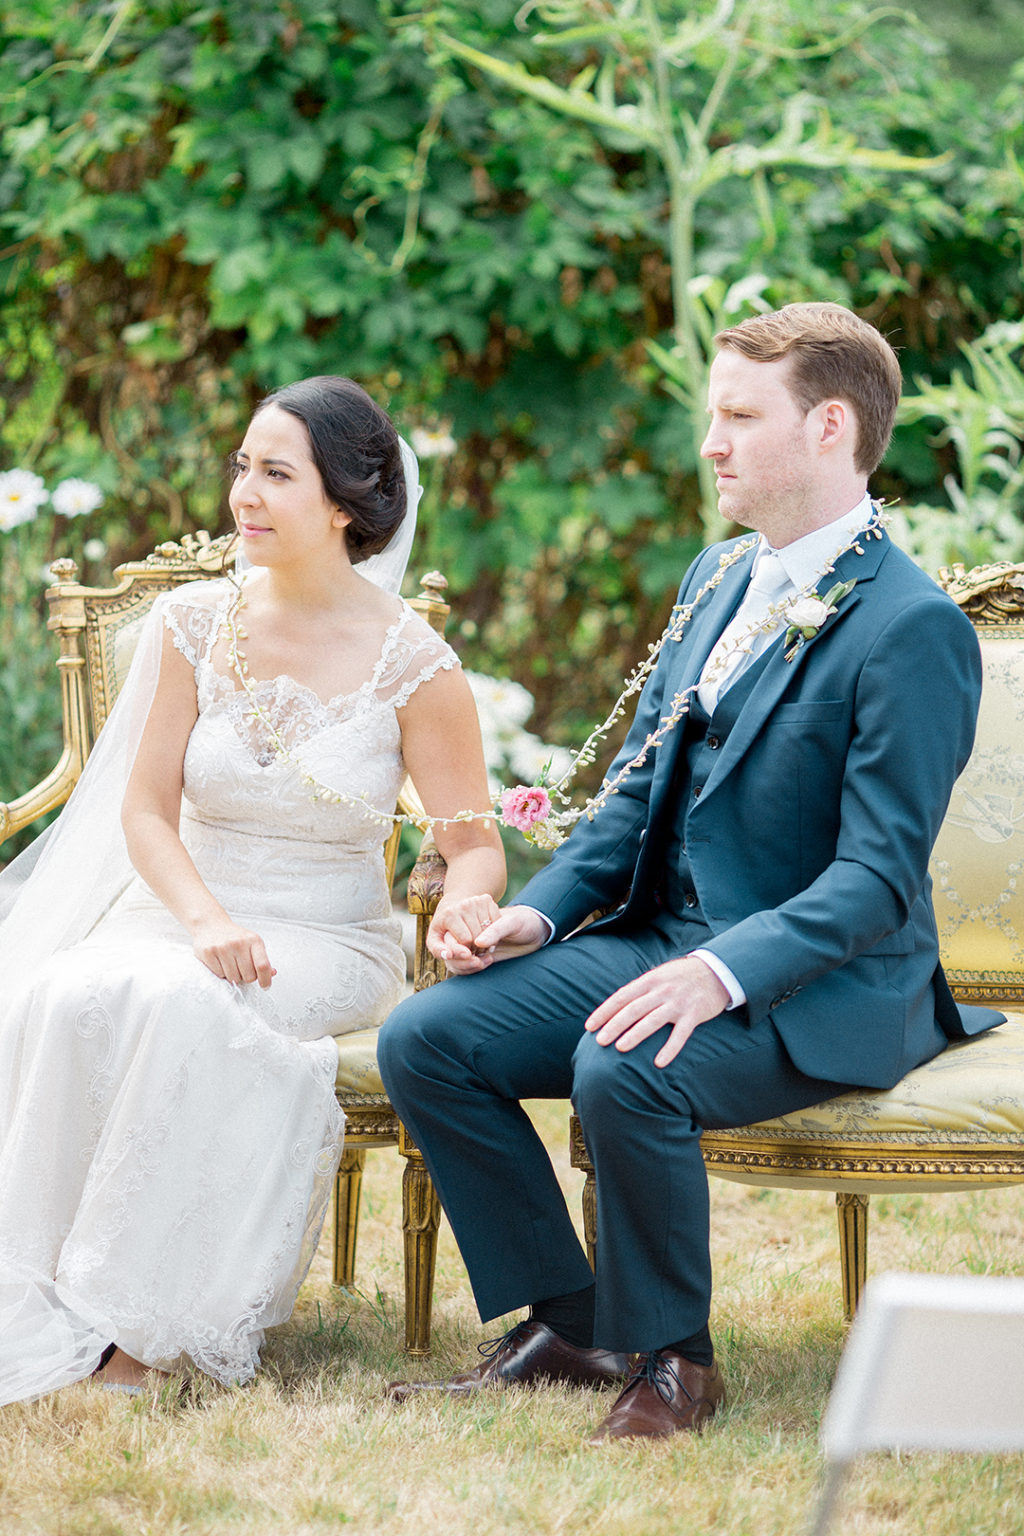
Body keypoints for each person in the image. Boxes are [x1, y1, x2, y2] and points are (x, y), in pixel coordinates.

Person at [377, 304, 1004, 1444]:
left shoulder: (909, 627)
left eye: (735, 416)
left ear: (826, 426)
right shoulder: (718, 577)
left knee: (628, 1067)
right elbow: (631, 800)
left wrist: (718, 973)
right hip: (656, 938)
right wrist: (533, 912)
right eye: (709, 415)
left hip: (824, 982)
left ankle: (677, 1361)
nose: (708, 442)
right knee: (430, 1038)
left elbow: (873, 880)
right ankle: (575, 1323)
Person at [0, 376, 505, 1403]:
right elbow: (145, 811)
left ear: (345, 504)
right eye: (243, 466)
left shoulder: (418, 664)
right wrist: (204, 919)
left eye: (276, 472)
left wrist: (466, 900)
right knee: (71, 989)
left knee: (186, 1004)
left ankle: (135, 1335)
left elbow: (474, 843)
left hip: (324, 935)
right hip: (182, 908)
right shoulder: (193, 624)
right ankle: (40, 1294)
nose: (244, 493)